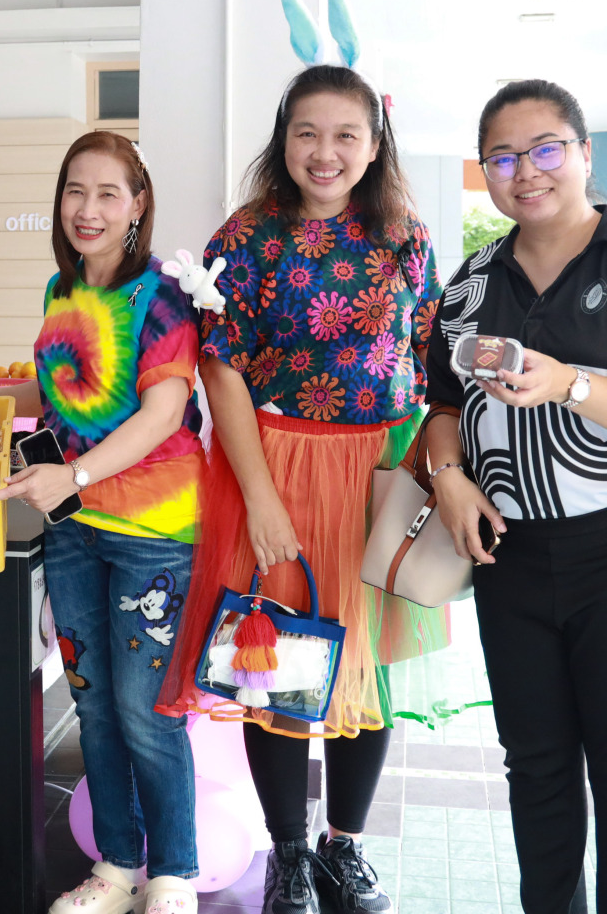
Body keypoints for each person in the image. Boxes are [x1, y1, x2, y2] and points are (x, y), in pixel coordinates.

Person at [158, 60, 443, 914]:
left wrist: (437, 474)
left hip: (383, 469)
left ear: (374, 144)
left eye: (346, 135)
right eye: (307, 133)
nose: (326, 152)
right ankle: (287, 851)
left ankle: (342, 847)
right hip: (275, 466)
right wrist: (261, 499)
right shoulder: (247, 236)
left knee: (370, 665)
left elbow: (432, 360)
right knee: (273, 664)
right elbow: (221, 368)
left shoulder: (407, 236)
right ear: (283, 140)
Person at [422, 80, 607, 914]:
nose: (527, 171)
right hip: (512, 555)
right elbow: (442, 407)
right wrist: (449, 479)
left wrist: (571, 385)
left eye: (546, 149)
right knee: (537, 766)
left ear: (584, 154)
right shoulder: (470, 283)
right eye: (503, 158)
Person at [0, 131, 205, 914]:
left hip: (154, 530)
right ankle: (116, 869)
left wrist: (75, 475)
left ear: (138, 204)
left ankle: (174, 875)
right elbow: (60, 395)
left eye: (108, 193)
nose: (88, 209)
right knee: (91, 704)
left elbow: (162, 415)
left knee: (147, 714)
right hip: (73, 525)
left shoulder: (161, 296)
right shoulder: (61, 288)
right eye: (75, 192)